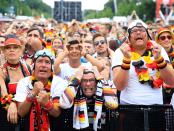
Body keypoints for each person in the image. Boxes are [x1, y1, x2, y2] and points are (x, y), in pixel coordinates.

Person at [112, 20, 174, 131]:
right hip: (129, 110)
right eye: (134, 31)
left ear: (148, 36)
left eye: (142, 30)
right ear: (129, 38)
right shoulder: (120, 52)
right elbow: (120, 86)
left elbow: (172, 81)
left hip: (156, 110)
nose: (139, 33)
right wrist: (126, 59)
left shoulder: (159, 50)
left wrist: (159, 59)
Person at [14, 49, 67, 131]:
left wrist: (47, 104)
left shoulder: (60, 83)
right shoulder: (24, 82)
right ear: (34, 65)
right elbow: (21, 112)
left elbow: (57, 113)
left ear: (52, 67)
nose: (43, 65)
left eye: (47, 62)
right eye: (40, 61)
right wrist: (33, 93)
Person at [59, 66, 118, 131]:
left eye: (92, 80)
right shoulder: (73, 92)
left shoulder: (104, 90)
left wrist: (100, 78)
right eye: (84, 80)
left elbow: (113, 104)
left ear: (97, 82)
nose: (88, 84)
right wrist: (77, 78)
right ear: (80, 83)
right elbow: (63, 103)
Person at [0, 35, 31, 131]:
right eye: (8, 48)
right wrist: (12, 104)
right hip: (7, 116)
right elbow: (3, 94)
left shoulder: (27, 68)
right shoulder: (1, 71)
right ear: (4, 52)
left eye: (15, 47)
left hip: (27, 115)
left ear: (21, 51)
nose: (11, 50)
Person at [155, 27, 174, 104]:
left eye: (169, 37)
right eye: (163, 38)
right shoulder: (154, 53)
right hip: (159, 89)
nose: (166, 39)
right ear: (158, 41)